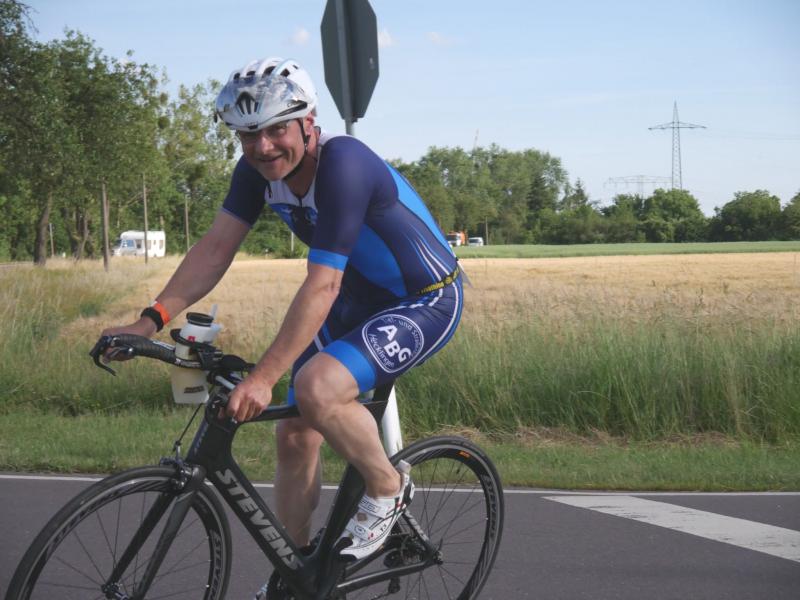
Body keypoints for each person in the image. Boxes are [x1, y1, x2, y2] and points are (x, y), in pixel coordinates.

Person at [100, 57, 462, 565]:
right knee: (293, 433)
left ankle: (387, 485)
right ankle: (297, 572)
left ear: (308, 122)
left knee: (316, 389)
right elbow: (215, 250)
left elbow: (323, 283)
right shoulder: (254, 173)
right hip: (356, 299)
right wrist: (149, 320)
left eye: (276, 130)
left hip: (423, 298)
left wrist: (264, 377)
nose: (263, 147)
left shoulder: (344, 164)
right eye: (248, 135)